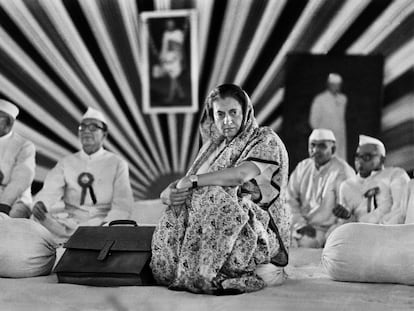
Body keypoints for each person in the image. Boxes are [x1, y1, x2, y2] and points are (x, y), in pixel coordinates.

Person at [150, 84, 290, 294]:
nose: (227, 121)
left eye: (233, 112)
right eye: (220, 114)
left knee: (213, 195)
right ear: (211, 116)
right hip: (212, 221)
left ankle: (206, 272)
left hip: (259, 225)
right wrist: (168, 194)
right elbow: (187, 184)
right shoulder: (214, 147)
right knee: (186, 200)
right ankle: (176, 269)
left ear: (245, 112)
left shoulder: (264, 138)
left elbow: (239, 175)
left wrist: (192, 181)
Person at [32, 107, 134, 242]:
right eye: (83, 127)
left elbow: (122, 203)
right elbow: (50, 190)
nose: (86, 131)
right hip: (69, 223)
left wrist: (107, 224)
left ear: (104, 134)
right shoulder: (66, 162)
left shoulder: (117, 163)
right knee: (37, 222)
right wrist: (42, 204)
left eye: (93, 127)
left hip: (103, 221)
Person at [287, 129, 355, 248]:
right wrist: (300, 224)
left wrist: (331, 235)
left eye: (322, 146)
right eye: (312, 145)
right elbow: (289, 199)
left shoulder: (343, 171)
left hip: (330, 230)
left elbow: (346, 211)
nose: (315, 150)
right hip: (303, 227)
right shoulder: (303, 167)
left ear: (333, 150)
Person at [334, 135, 410, 224]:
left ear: (382, 159)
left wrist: (376, 227)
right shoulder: (347, 185)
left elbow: (401, 210)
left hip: (389, 230)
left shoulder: (395, 174)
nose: (360, 161)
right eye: (357, 157)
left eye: (367, 157)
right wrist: (347, 217)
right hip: (359, 233)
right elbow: (346, 223)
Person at [0, 99, 35, 218]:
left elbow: (21, 178)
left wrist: (4, 205)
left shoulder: (24, 145)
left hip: (15, 202)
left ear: (9, 122)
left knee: (10, 221)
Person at [309, 73, 348, 160]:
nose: (336, 87)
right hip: (325, 139)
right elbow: (313, 121)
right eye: (334, 85)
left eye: (338, 85)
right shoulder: (320, 99)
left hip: (339, 139)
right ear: (329, 85)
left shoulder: (343, 99)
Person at [159, 19, 186, 102]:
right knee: (173, 77)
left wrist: (180, 58)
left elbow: (180, 46)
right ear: (166, 25)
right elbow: (164, 46)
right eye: (168, 24)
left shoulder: (178, 33)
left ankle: (170, 98)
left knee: (173, 77)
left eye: (171, 24)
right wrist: (161, 57)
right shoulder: (165, 34)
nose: (170, 26)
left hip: (175, 58)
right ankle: (181, 94)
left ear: (174, 24)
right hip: (167, 57)